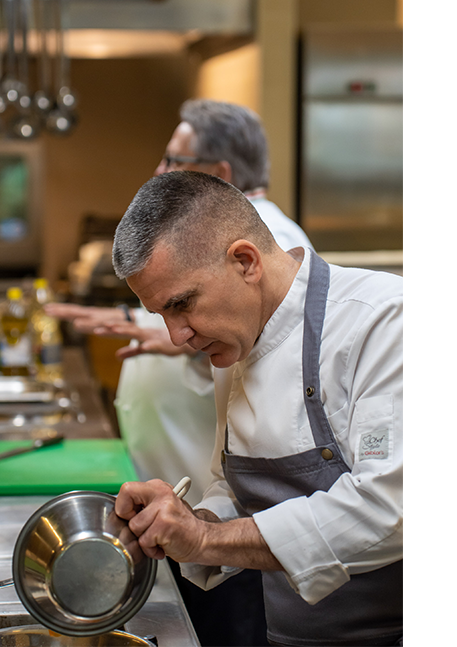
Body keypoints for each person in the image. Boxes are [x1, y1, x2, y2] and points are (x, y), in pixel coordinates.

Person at [46, 100, 311, 646]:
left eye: (174, 160)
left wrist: (209, 535)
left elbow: (291, 440)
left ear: (220, 173)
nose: (160, 171)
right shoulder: (205, 251)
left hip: (250, 547)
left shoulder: (273, 240)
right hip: (210, 516)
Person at [110, 170, 403, 647]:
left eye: (182, 304)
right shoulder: (236, 341)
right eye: (162, 315)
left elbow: (388, 508)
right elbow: (235, 487)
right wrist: (190, 522)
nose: (176, 337)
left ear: (245, 261)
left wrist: (207, 540)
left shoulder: (383, 320)